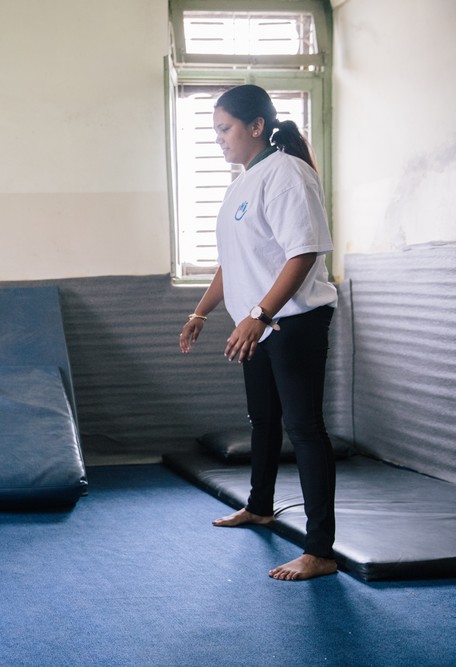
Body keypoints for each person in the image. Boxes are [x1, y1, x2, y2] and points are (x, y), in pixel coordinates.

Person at [179, 84, 338, 581]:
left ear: (255, 126)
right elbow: (233, 263)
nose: (219, 140)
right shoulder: (242, 183)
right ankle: (261, 506)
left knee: (305, 429)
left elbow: (304, 253)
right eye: (214, 132)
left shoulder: (287, 174)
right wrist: (201, 311)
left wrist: (262, 315)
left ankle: (320, 551)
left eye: (224, 129)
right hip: (260, 323)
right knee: (263, 421)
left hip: (293, 322)